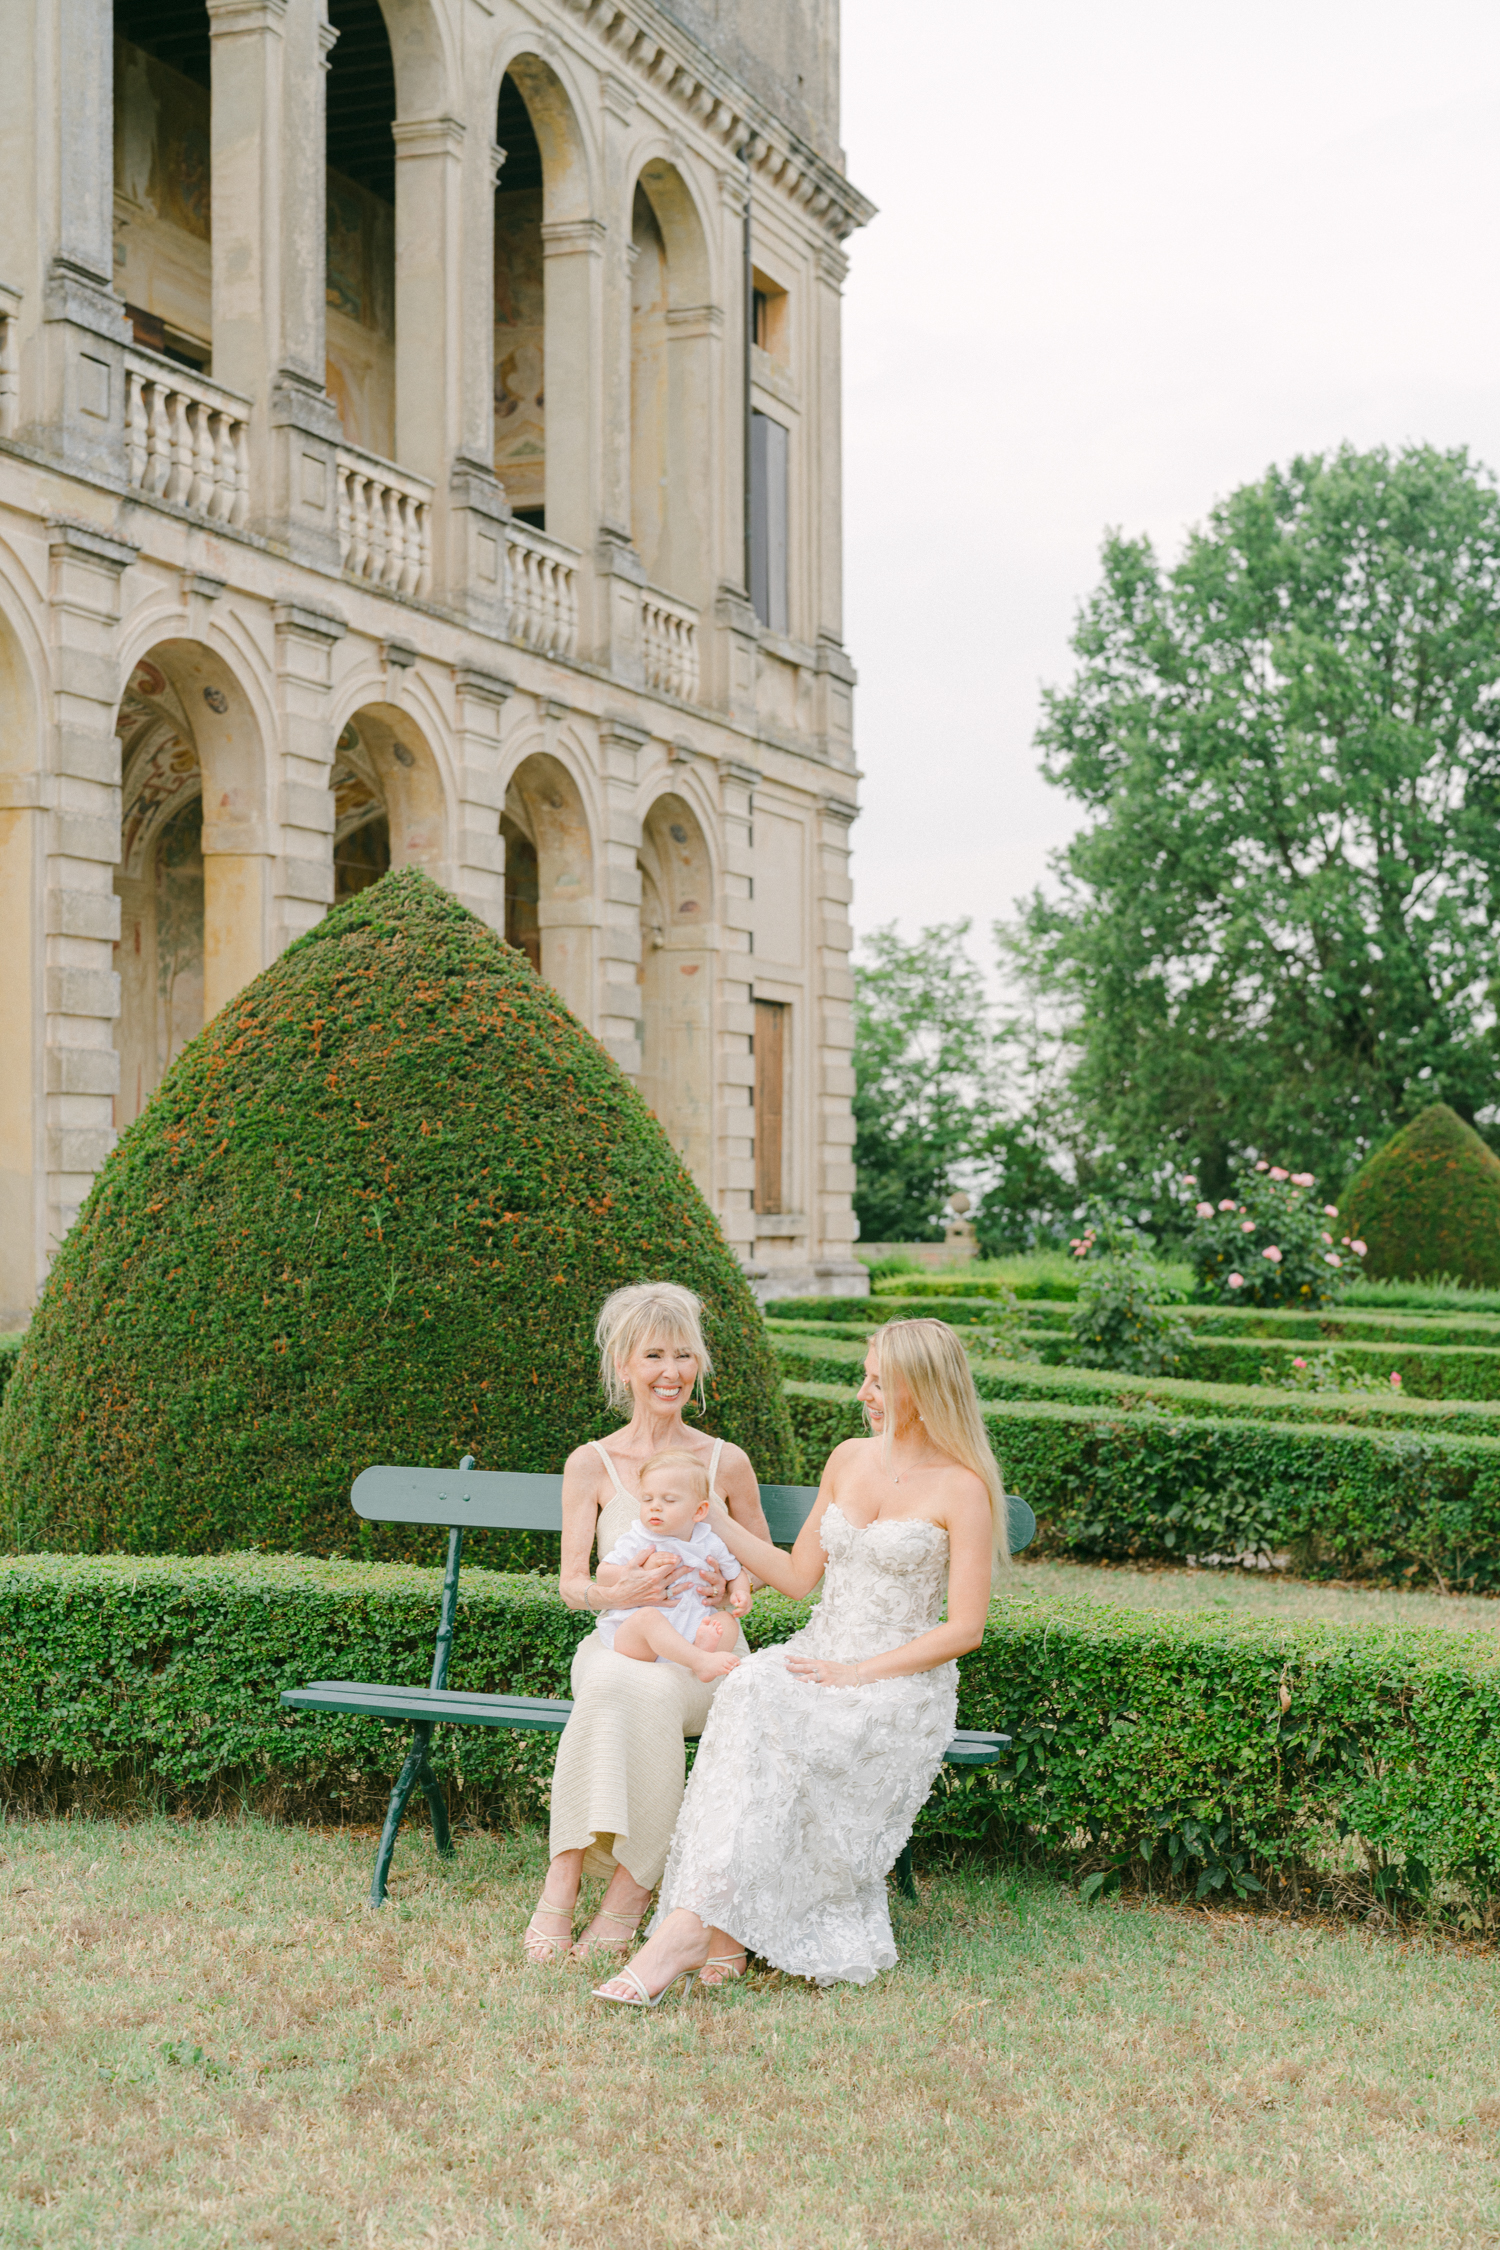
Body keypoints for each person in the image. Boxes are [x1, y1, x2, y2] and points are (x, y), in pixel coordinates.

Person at [593, 1317, 1007, 2005]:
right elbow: (795, 1576)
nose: (863, 1393)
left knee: (778, 1704)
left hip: (897, 1681)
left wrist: (860, 1674)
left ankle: (696, 1930)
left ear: (924, 1389)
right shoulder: (849, 1458)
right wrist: (713, 1520)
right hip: (819, 1653)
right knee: (753, 1686)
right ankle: (710, 1927)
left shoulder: (962, 1487)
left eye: (880, 1382)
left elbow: (964, 1629)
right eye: (865, 1376)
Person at [523, 1281, 773, 1968]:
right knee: (615, 1684)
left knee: (650, 1693)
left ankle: (625, 1898)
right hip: (620, 1639)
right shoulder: (591, 1463)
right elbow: (573, 1583)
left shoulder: (726, 1461)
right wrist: (618, 1587)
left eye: (685, 1355)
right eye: (655, 1355)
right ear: (623, 1364)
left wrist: (734, 1581)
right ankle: (564, 1883)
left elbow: (759, 1563)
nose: (672, 1373)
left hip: (702, 1650)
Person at [596, 1448, 751, 1679]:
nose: (655, 1506)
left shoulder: (709, 1541)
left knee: (726, 1621)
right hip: (640, 1640)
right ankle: (700, 1660)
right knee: (648, 1618)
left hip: (691, 1627)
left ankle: (699, 1652)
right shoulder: (637, 1538)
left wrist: (740, 1593)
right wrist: (642, 1569)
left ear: (699, 1511)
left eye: (668, 1500)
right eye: (647, 1499)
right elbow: (603, 1575)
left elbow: (735, 1573)